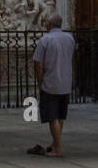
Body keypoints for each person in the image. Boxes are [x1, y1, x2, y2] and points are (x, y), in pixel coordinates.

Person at [28, 13, 75, 158]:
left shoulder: (45, 39)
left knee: (52, 116)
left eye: (46, 22)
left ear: (50, 24)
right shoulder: (70, 38)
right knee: (60, 115)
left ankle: (58, 149)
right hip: (66, 82)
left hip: (51, 82)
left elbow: (38, 63)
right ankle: (55, 143)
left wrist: (40, 82)